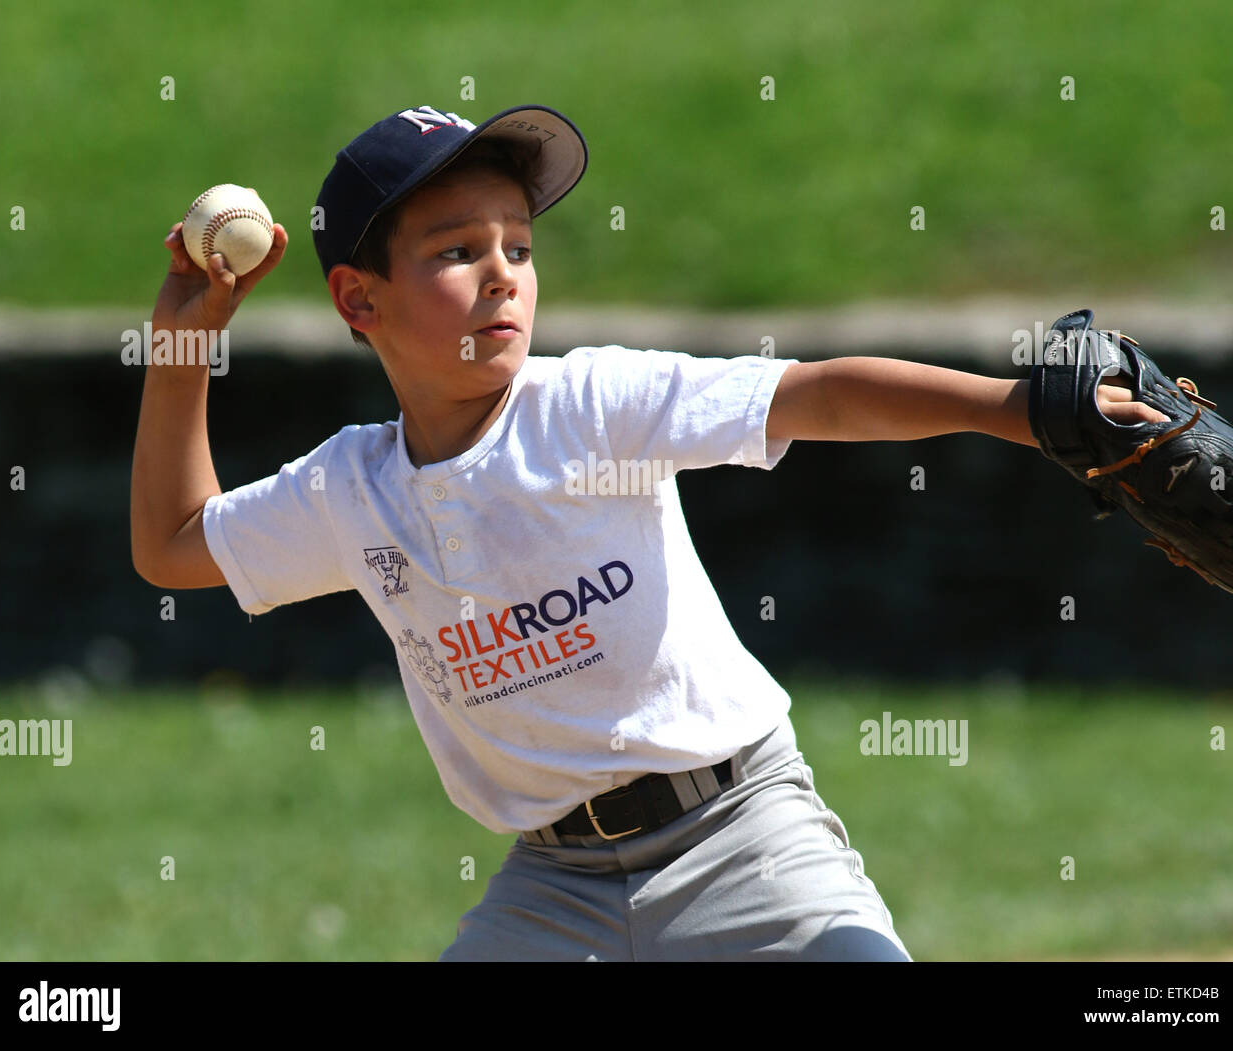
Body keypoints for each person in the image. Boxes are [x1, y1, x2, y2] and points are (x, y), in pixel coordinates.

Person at [130, 103, 1167, 961]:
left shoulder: (592, 408)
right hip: (553, 891)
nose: (503, 273)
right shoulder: (350, 490)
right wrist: (183, 348)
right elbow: (174, 543)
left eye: (518, 246)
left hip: (741, 838)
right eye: (456, 250)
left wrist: (1012, 407)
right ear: (358, 298)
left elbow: (811, 396)